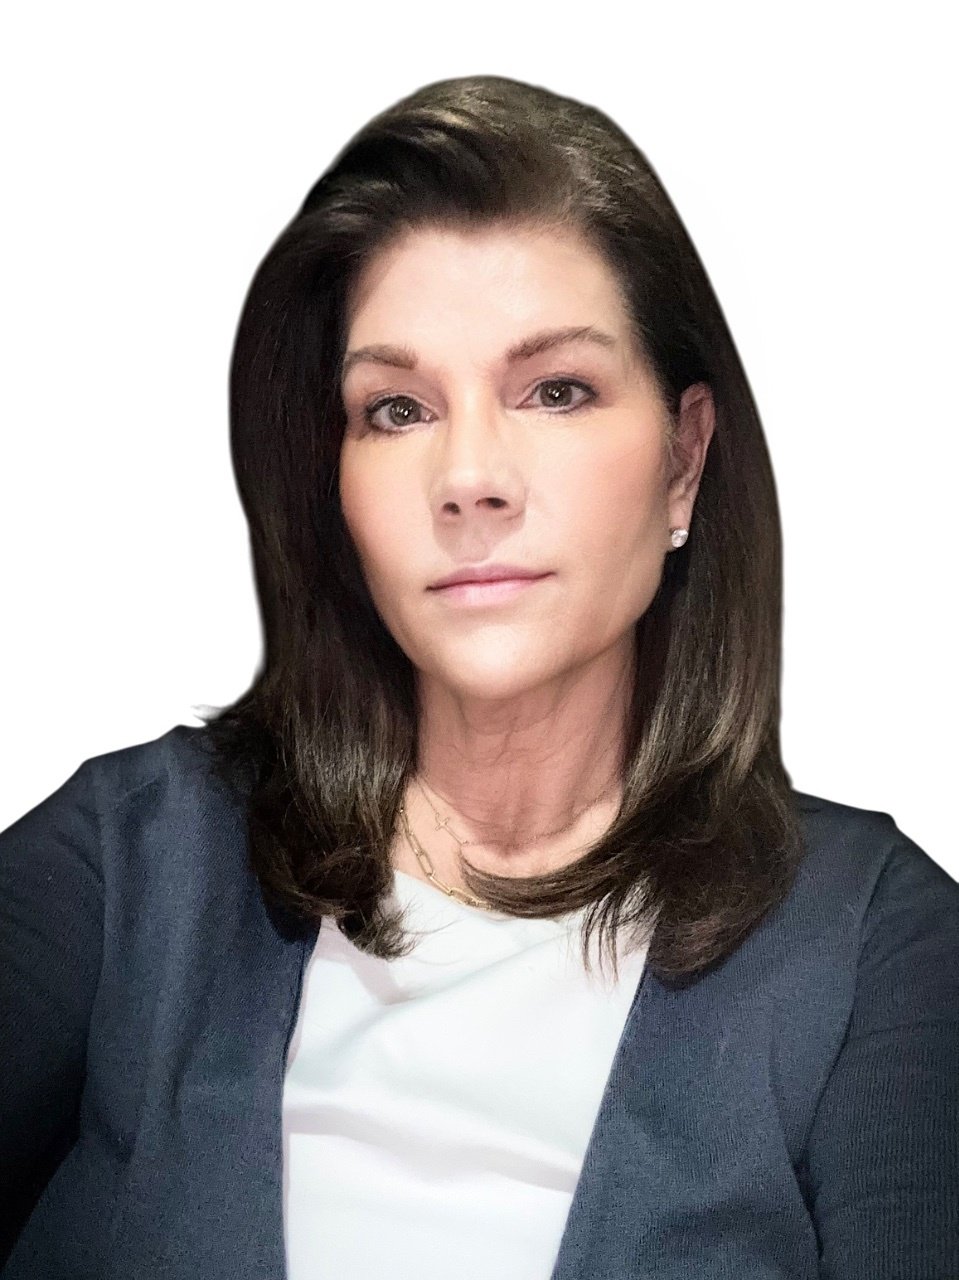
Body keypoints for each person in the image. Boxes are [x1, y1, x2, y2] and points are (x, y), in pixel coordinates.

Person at [1, 73, 956, 1280]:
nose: (467, 478)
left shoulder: (871, 940)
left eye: (555, 390)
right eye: (396, 408)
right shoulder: (135, 854)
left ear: (682, 458)